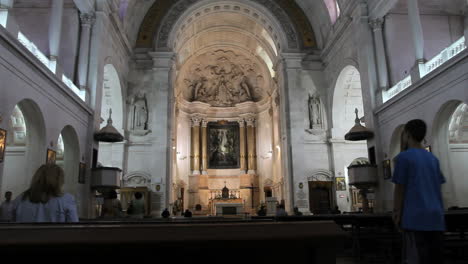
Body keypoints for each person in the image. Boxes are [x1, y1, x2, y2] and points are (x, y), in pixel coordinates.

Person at [392, 119, 445, 264]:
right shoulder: (433, 159)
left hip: (415, 217)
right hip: (436, 217)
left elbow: (400, 189)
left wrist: (396, 213)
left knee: (416, 258)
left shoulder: (403, 158)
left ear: (407, 134)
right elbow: (438, 189)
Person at [12, 164, 78, 222]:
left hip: (24, 236)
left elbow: (12, 223)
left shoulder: (21, 198)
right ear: (59, 180)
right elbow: (73, 228)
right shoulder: (67, 199)